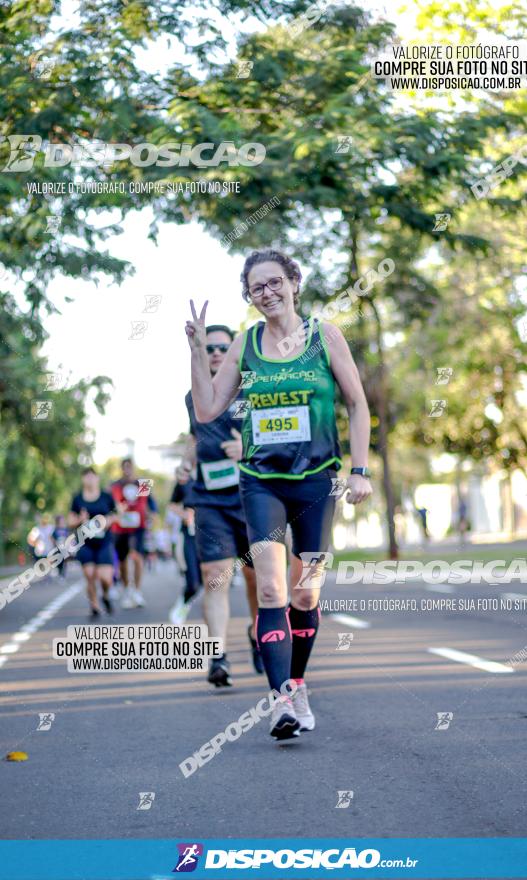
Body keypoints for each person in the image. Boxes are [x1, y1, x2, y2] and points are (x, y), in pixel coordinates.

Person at [185, 248, 372, 738]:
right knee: (270, 586)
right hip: (261, 478)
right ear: (248, 296)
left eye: (273, 283)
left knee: (306, 594)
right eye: (255, 288)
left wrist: (360, 470)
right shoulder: (246, 345)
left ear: (293, 281)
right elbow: (206, 410)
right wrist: (195, 350)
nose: (265, 293)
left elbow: (356, 405)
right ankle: (281, 701)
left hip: (317, 480)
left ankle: (297, 681)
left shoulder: (324, 336)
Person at [183, 325, 262, 686]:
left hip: (251, 494)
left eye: (222, 348)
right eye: (209, 347)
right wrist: (187, 462)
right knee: (215, 576)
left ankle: (260, 634)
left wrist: (247, 448)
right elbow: (195, 435)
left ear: (233, 352)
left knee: (256, 575)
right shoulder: (193, 396)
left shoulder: (253, 388)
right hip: (209, 499)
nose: (215, 353)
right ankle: (218, 657)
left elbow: (276, 435)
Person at [68, 467, 116, 618]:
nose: (89, 479)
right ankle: (94, 606)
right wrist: (79, 520)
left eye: (92, 476)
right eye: (86, 476)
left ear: (97, 478)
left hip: (104, 542)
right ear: (82, 479)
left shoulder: (106, 497)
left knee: (105, 578)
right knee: (89, 575)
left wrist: (106, 521)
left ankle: (106, 595)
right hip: (85, 542)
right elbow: (70, 521)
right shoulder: (77, 499)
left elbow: (116, 515)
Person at [110, 459, 154, 608]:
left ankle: (137, 590)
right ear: (122, 469)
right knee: (122, 561)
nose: (128, 470)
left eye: (130, 467)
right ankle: (127, 588)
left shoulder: (143, 484)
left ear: (134, 468)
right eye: (125, 467)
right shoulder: (115, 485)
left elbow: (150, 506)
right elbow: (112, 506)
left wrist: (151, 519)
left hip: (138, 528)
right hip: (120, 528)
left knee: (137, 557)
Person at [168, 464, 203, 626]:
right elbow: (172, 504)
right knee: (193, 582)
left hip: (212, 533)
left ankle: (186, 603)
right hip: (189, 535)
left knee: (207, 580)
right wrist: (184, 514)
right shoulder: (184, 482)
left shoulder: (209, 475)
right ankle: (182, 605)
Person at [53, 515, 70, 579]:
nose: (62, 522)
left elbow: (68, 536)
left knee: (65, 560)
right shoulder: (56, 529)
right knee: (59, 560)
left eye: (63, 520)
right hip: (58, 547)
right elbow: (52, 537)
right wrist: (55, 543)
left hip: (64, 547)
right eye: (61, 520)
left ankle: (63, 573)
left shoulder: (65, 529)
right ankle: (59, 572)